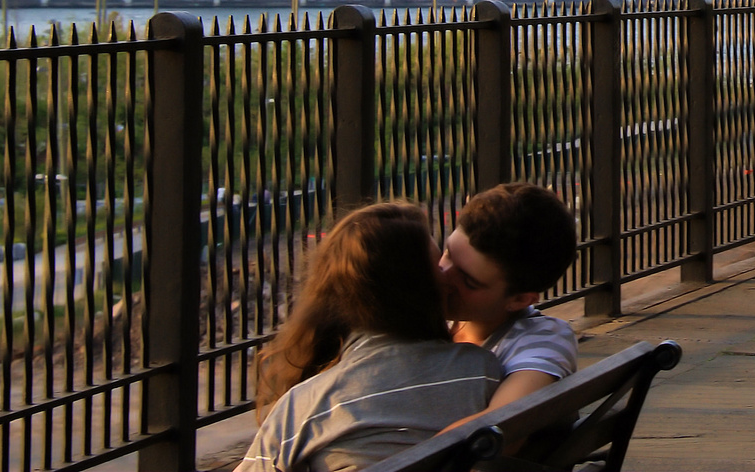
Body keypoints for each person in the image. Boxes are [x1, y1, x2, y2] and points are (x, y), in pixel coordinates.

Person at [241, 204, 504, 472]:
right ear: (420, 291)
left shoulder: (305, 407)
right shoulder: (482, 371)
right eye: (438, 266)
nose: (447, 277)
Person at [439, 183, 581, 412]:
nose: (443, 277)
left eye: (468, 281)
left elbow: (502, 429)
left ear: (519, 300)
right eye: (447, 254)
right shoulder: (431, 317)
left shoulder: (542, 341)